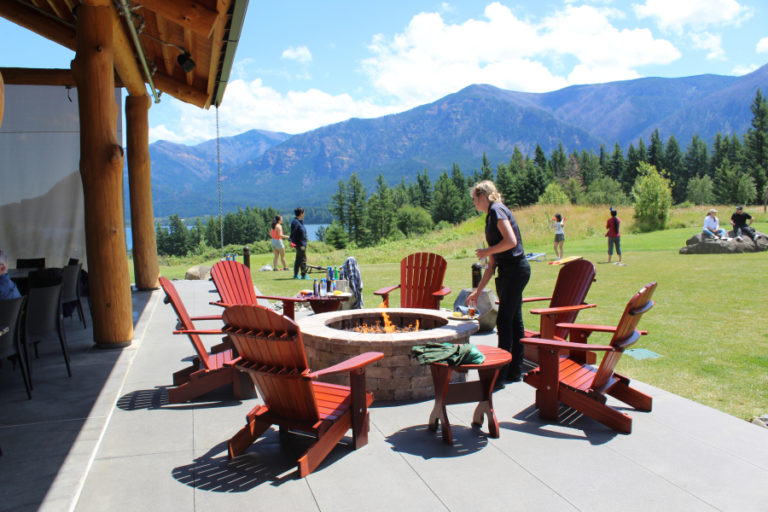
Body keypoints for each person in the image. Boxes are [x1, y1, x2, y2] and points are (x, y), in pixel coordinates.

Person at [466, 180, 530, 384]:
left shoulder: (497, 210)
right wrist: (478, 291)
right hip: (505, 273)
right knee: (514, 321)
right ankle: (514, 371)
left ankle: (500, 375)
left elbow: (511, 241)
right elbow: (491, 266)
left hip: (516, 270)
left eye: (475, 199)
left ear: (482, 196)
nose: (474, 203)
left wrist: (486, 251)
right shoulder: (489, 218)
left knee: (503, 321)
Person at [290, 207, 308, 280]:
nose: (304, 214)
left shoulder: (300, 221)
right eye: (304, 213)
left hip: (302, 243)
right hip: (299, 244)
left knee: (298, 259)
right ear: (301, 213)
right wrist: (291, 241)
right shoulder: (295, 222)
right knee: (303, 259)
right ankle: (303, 275)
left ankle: (296, 274)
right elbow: (293, 233)